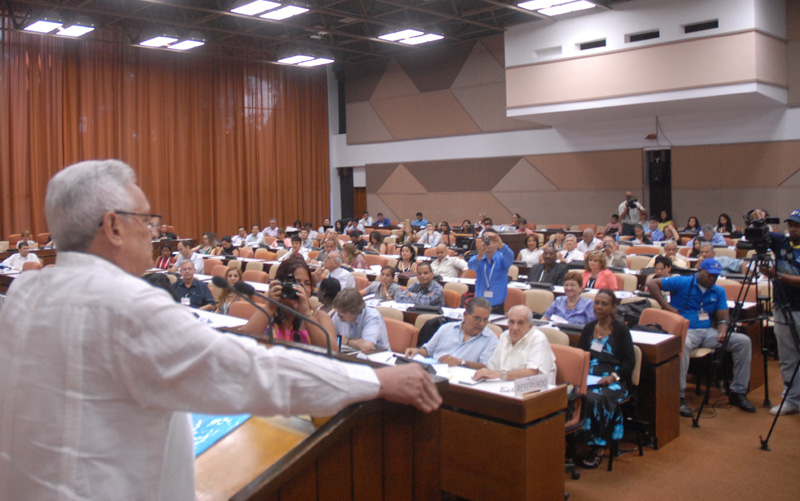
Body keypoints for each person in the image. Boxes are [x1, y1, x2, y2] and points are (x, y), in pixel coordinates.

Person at [647, 259, 755, 417]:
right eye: (710, 275)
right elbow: (652, 284)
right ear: (700, 271)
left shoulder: (718, 291)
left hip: (708, 332)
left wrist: (722, 331)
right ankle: (679, 396)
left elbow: (723, 316)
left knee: (743, 342)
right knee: (682, 345)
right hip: (686, 330)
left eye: (716, 276)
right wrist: (666, 307)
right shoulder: (682, 282)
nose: (713, 278)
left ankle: (738, 391)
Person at [576, 289, 636, 469]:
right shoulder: (589, 328)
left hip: (614, 379)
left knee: (595, 398)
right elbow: (581, 354)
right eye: (596, 303)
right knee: (572, 393)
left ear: (613, 307)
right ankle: (576, 441)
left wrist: (613, 377)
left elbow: (629, 362)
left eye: (604, 304)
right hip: (589, 376)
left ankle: (599, 445)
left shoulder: (620, 330)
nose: (599, 307)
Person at [242, 256, 338, 350]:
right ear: (280, 284)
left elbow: (333, 353)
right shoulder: (268, 313)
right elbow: (241, 343)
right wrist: (270, 307)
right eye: (296, 282)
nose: (302, 288)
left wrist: (307, 314)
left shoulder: (320, 317)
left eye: (307, 283)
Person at [760, 209, 800, 414]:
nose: (792, 229)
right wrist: (756, 219)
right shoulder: (781, 242)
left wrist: (778, 276)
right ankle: (791, 399)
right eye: (790, 225)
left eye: (796, 226)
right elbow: (760, 233)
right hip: (782, 307)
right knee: (788, 357)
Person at [405, 297, 498, 368]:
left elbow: (486, 366)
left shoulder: (491, 339)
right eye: (477, 319)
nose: (481, 324)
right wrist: (417, 351)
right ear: (465, 315)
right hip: (435, 372)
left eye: (485, 320)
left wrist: (462, 362)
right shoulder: (446, 328)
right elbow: (428, 351)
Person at [473, 305, 556, 384]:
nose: (515, 328)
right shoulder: (504, 336)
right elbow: (493, 366)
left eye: (520, 323)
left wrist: (501, 375)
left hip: (535, 391)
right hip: (504, 387)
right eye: (511, 322)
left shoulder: (538, 338)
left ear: (530, 326)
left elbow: (533, 371)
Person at [468, 229, 514, 314]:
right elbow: (471, 266)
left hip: (497, 307)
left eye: (493, 239)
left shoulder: (502, 258)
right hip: (479, 306)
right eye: (486, 238)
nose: (489, 242)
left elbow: (510, 256)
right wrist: (479, 255)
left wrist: (501, 245)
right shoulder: (478, 258)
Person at [332, 288, 391, 352]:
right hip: (349, 354)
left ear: (354, 310)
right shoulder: (338, 315)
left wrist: (347, 341)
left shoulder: (372, 317)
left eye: (342, 313)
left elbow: (367, 346)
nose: (338, 315)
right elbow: (328, 336)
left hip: (376, 357)